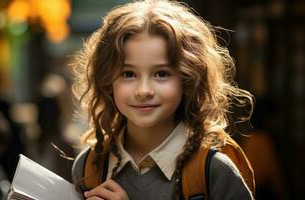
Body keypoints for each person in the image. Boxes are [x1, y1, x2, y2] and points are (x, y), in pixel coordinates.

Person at [71, 0, 254, 199]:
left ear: (188, 80)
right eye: (128, 74)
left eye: (161, 74)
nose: (143, 91)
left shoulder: (214, 171)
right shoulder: (89, 168)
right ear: (107, 81)